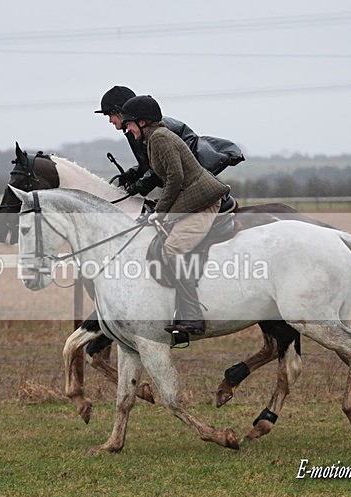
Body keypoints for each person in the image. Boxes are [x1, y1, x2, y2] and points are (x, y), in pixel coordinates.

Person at [120, 95, 230, 336]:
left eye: (129, 123)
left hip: (204, 202)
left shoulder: (160, 138)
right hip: (190, 201)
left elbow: (175, 178)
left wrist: (160, 211)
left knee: (172, 249)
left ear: (142, 122)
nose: (126, 128)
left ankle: (192, 316)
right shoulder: (153, 139)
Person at [95, 85, 244, 197]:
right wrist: (130, 174)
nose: (109, 120)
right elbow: (151, 164)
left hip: (192, 184)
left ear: (120, 112)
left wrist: (138, 186)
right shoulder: (138, 130)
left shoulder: (156, 131)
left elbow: (161, 168)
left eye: (110, 115)